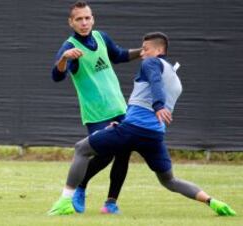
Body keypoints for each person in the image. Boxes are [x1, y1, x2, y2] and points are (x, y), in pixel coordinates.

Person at [48, 31, 237, 216]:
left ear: (158, 50)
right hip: (154, 136)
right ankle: (212, 201)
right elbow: (150, 92)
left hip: (132, 130)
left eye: (145, 49)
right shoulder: (174, 76)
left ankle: (66, 201)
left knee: (81, 148)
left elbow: (154, 81)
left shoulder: (151, 62)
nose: (142, 53)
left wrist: (158, 105)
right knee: (169, 180)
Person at [51, 0, 141, 214]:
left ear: (93, 18)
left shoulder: (101, 37)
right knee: (105, 153)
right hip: (96, 114)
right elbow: (57, 75)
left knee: (123, 153)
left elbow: (118, 55)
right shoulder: (69, 47)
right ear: (71, 23)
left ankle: (111, 203)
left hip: (119, 107)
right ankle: (80, 187)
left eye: (87, 17)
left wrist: (143, 51)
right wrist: (64, 59)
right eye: (79, 19)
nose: (84, 22)